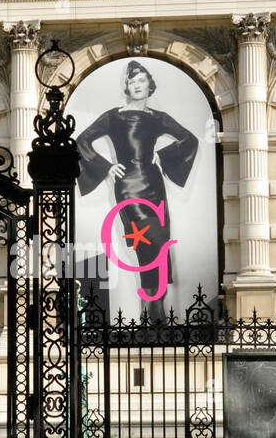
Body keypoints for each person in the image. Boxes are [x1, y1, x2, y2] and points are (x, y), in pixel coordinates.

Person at [75, 61, 200, 323]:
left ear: (149, 85)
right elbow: (82, 140)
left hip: (154, 185)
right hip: (128, 186)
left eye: (141, 80)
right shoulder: (114, 116)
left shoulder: (157, 118)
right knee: (147, 243)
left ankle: (154, 310)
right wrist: (106, 167)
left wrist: (163, 156)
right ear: (127, 87)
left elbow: (190, 139)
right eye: (133, 81)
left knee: (160, 244)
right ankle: (154, 311)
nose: (137, 85)